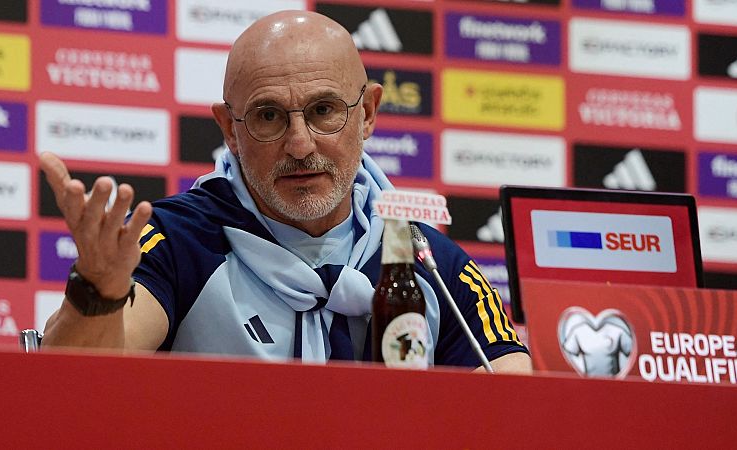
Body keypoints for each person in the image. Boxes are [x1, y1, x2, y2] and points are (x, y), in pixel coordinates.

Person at [39, 10, 531, 373]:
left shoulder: (429, 263)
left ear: (368, 114)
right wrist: (96, 291)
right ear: (229, 130)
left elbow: (517, 406)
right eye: (268, 116)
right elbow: (73, 382)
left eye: (323, 111)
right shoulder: (174, 241)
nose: (300, 145)